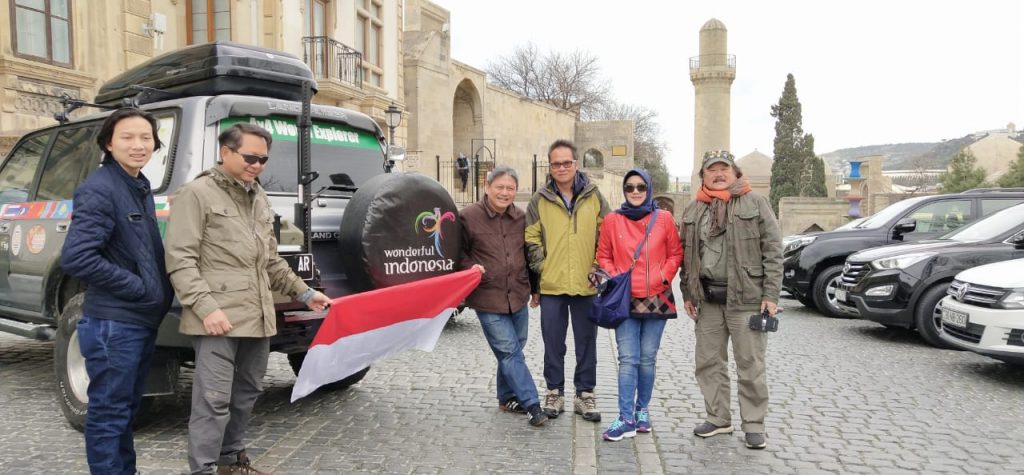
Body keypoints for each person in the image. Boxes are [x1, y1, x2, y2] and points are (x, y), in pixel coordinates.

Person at [165, 123, 331, 474]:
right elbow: (180, 260)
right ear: (225, 152)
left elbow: (270, 261)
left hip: (257, 315)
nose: (257, 165)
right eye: (250, 157)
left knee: (247, 393)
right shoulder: (196, 194)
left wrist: (305, 293)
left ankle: (231, 460)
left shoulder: (258, 196)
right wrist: (206, 309)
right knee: (213, 400)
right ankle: (202, 469)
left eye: (263, 159)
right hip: (217, 318)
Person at [60, 108, 174, 475]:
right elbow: (77, 258)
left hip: (136, 320)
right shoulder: (100, 188)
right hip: (114, 322)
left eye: (146, 138)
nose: (138, 145)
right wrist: (138, 287)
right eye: (127, 137)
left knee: (125, 410)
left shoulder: (136, 184)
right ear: (109, 143)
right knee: (109, 413)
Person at [678, 150, 783, 450]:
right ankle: (718, 418)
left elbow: (773, 252)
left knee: (750, 364)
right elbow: (687, 256)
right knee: (708, 362)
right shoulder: (694, 209)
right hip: (708, 299)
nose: (719, 174)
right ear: (703, 176)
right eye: (712, 170)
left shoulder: (756, 203)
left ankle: (753, 424)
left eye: (724, 168)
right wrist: (687, 292)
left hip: (747, 298)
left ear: (735, 173)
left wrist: (771, 295)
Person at [525, 139, 610, 422]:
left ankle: (585, 394)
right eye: (555, 163)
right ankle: (554, 391)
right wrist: (543, 268)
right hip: (553, 285)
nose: (561, 168)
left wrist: (598, 268)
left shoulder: (594, 195)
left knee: (586, 342)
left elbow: (606, 235)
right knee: (553, 343)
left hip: (586, 285)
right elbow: (531, 238)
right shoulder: (540, 199)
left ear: (575, 164)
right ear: (549, 166)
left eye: (566, 162)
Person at [595, 169, 682, 441]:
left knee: (647, 359)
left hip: (657, 297)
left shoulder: (664, 219)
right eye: (630, 187)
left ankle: (642, 410)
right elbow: (603, 255)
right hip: (625, 298)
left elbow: (675, 253)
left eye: (640, 187)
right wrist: (618, 278)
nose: (635, 192)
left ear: (649, 188)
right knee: (628, 359)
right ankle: (625, 417)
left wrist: (663, 276)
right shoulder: (612, 220)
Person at [459, 165, 547, 427]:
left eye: (510, 188)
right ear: (487, 187)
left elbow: (529, 255)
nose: (505, 192)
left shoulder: (521, 218)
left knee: (513, 349)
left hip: (518, 294)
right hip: (488, 297)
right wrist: (469, 267)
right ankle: (532, 404)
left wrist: (535, 288)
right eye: (500, 187)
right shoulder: (467, 217)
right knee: (509, 352)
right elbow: (457, 254)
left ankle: (506, 397)